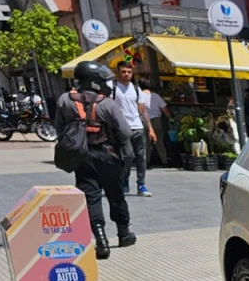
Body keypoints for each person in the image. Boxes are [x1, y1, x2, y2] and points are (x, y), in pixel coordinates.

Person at [56, 62, 134, 259]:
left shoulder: (65, 100)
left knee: (91, 197)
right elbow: (125, 132)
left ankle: (101, 240)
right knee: (115, 195)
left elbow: (60, 129)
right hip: (108, 156)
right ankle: (124, 234)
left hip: (81, 157)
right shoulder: (107, 103)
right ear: (94, 81)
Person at [113, 61, 155, 197]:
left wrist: (150, 129)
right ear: (117, 72)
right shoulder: (112, 88)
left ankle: (141, 185)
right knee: (128, 156)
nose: (126, 74)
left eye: (129, 72)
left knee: (141, 157)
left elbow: (142, 111)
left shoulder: (136, 89)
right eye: (123, 71)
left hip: (138, 127)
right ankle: (124, 179)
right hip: (122, 128)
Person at [140, 80, 172, 166]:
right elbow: (164, 109)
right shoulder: (156, 96)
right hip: (156, 120)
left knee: (145, 143)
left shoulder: (139, 96)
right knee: (159, 142)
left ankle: (146, 162)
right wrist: (170, 118)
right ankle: (164, 161)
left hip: (144, 121)